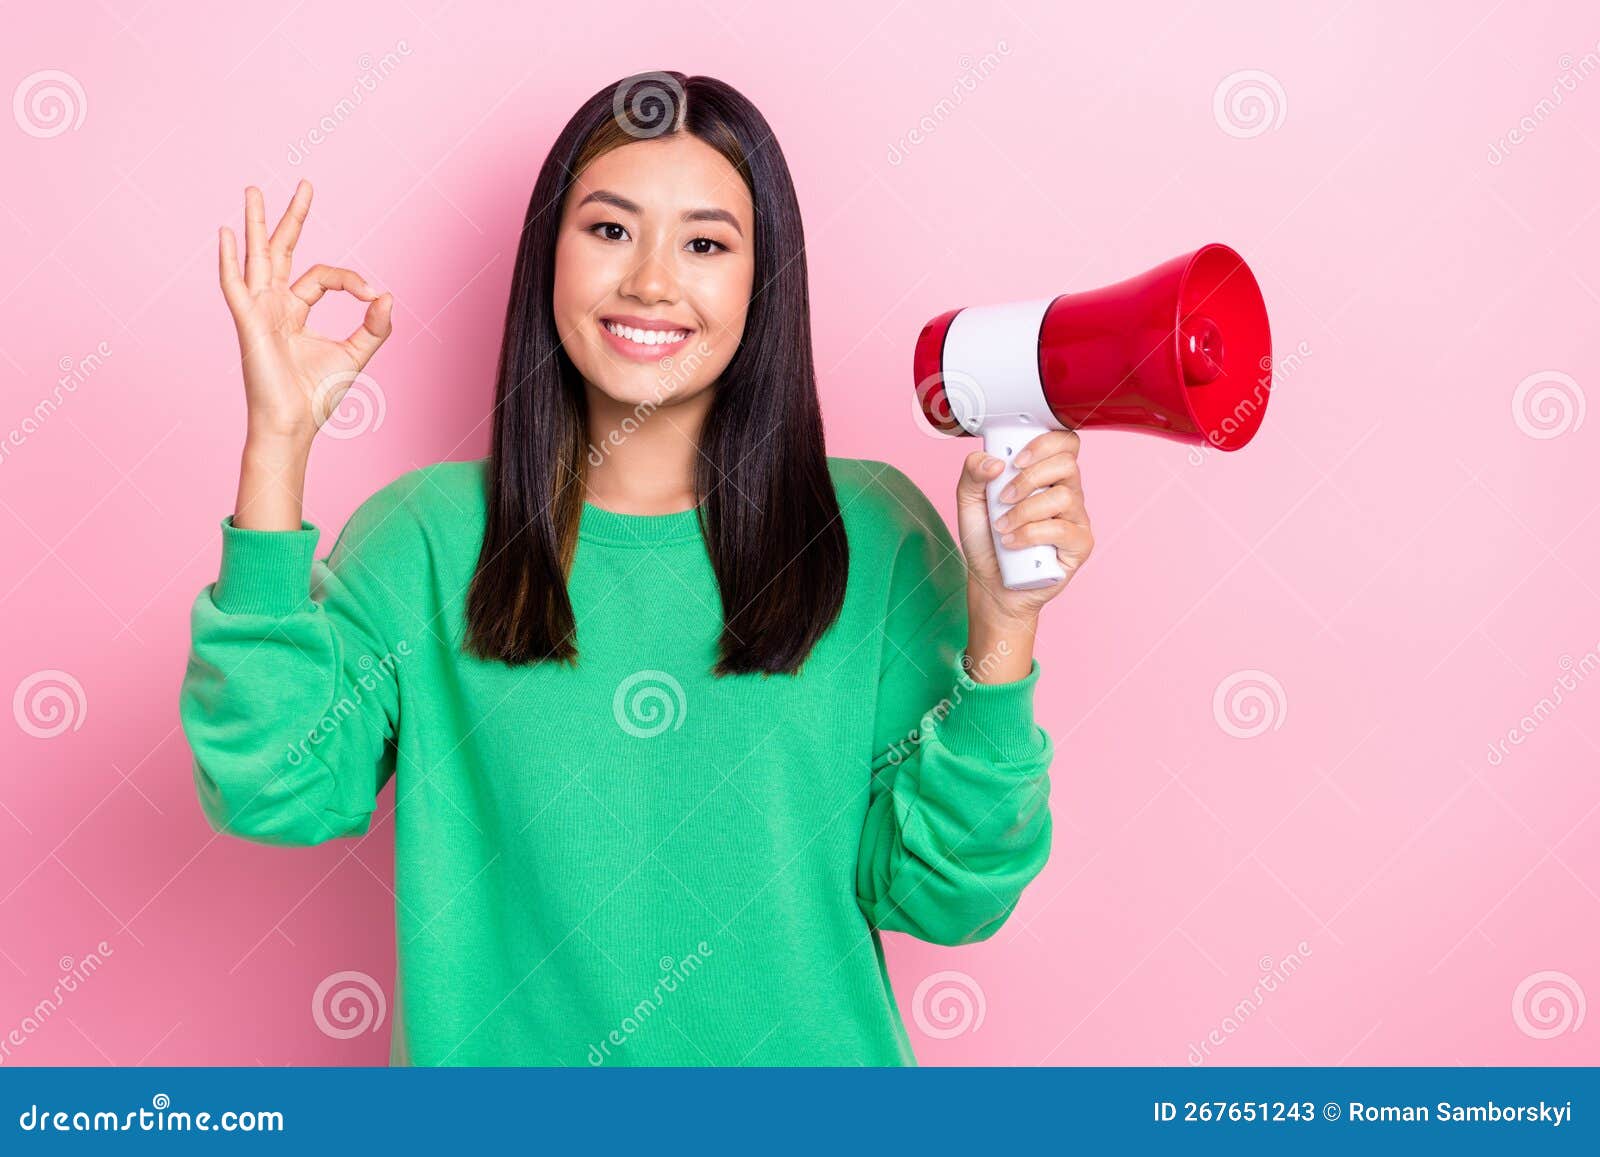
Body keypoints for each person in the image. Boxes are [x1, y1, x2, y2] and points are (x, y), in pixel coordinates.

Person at [178, 71, 1094, 1067]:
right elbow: (273, 785)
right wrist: (276, 443)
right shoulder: (426, 537)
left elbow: (944, 897)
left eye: (705, 243)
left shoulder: (870, 533)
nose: (651, 280)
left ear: (761, 281)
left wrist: (1003, 626)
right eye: (610, 230)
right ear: (549, 257)